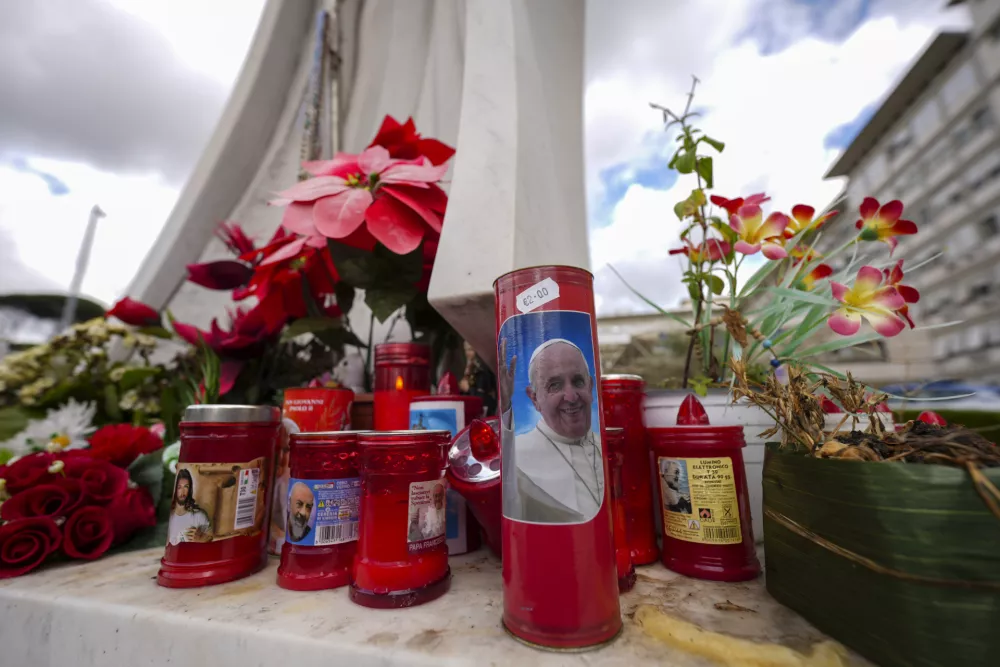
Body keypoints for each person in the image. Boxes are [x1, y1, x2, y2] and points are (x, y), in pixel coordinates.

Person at [500, 337, 603, 523]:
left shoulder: (606, 445)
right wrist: (505, 406)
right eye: (555, 385)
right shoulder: (517, 455)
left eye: (578, 381)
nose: (571, 397)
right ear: (534, 398)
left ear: (591, 386)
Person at [168, 468, 211, 545]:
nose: (183, 492)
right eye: (179, 487)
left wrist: (201, 540)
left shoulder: (199, 516)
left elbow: (210, 539)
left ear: (190, 489)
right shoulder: (168, 516)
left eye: (186, 487)